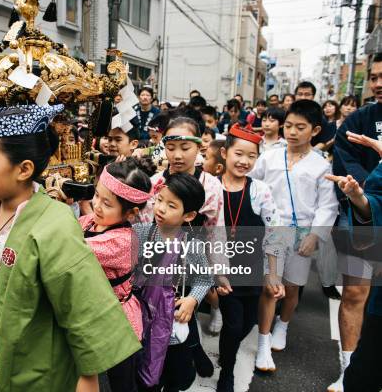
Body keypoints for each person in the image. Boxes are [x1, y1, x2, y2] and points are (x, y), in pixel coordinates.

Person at [0, 104, 140, 390]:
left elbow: (81, 305)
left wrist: (88, 378)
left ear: (24, 169)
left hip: (41, 361)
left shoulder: (56, 224)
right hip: (2, 345)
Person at [250, 100, 338, 364]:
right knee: (270, 287)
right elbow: (252, 183)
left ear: (315, 130)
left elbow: (327, 204)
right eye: (288, 125)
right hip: (273, 229)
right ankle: (263, 343)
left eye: (301, 127)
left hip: (302, 233)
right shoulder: (270, 156)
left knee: (292, 287)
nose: (292, 132)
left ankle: (283, 324)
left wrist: (315, 235)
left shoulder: (321, 165)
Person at [328, 52, 382, 392]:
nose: (377, 83)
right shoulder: (361, 119)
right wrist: (364, 191)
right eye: (374, 77)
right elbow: (344, 159)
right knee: (355, 294)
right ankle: (350, 368)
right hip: (365, 214)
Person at [217, 125, 284, 390]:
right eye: (238, 154)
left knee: (247, 322)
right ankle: (227, 372)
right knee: (233, 324)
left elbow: (274, 233)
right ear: (224, 153)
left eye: (251, 156)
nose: (244, 161)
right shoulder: (210, 185)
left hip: (251, 267)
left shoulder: (260, 190)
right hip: (221, 267)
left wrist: (273, 272)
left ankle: (227, 350)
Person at [78, 157, 154, 392]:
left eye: (107, 203)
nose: (97, 205)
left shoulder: (122, 241)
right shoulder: (91, 221)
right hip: (92, 312)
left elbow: (69, 247)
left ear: (130, 213)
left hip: (118, 321)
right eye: (97, 195)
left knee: (122, 383)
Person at [133, 173, 213, 391]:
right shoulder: (140, 233)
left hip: (170, 323)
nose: (160, 209)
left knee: (172, 374)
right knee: (140, 371)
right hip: (138, 318)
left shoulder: (191, 245)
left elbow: (205, 277)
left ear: (188, 215)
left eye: (171, 205)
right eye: (159, 200)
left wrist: (192, 300)